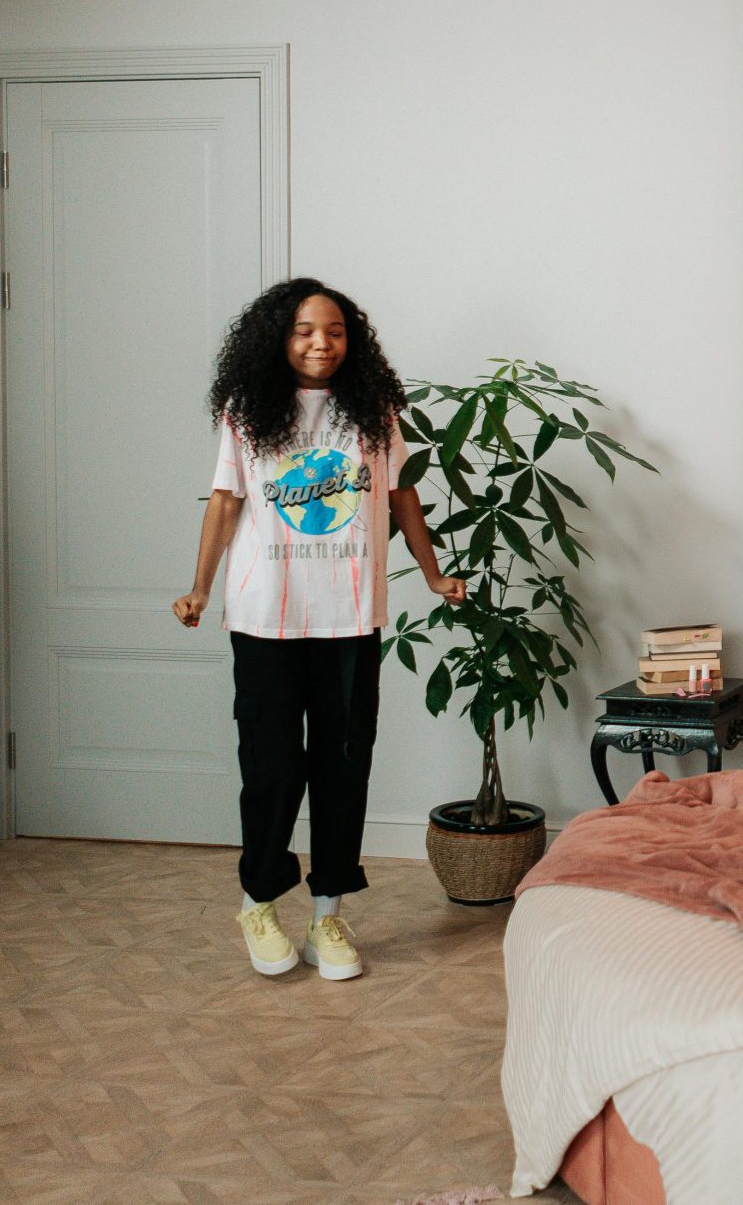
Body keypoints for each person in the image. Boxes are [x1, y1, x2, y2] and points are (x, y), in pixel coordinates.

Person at [172, 279, 466, 981]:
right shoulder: (248, 409)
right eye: (305, 330)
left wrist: (432, 575)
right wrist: (200, 586)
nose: (320, 343)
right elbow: (225, 499)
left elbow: (401, 494)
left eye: (334, 331)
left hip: (350, 618)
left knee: (343, 765)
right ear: (278, 337)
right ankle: (258, 903)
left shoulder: (372, 411)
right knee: (270, 769)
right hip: (265, 618)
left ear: (350, 340)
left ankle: (328, 912)